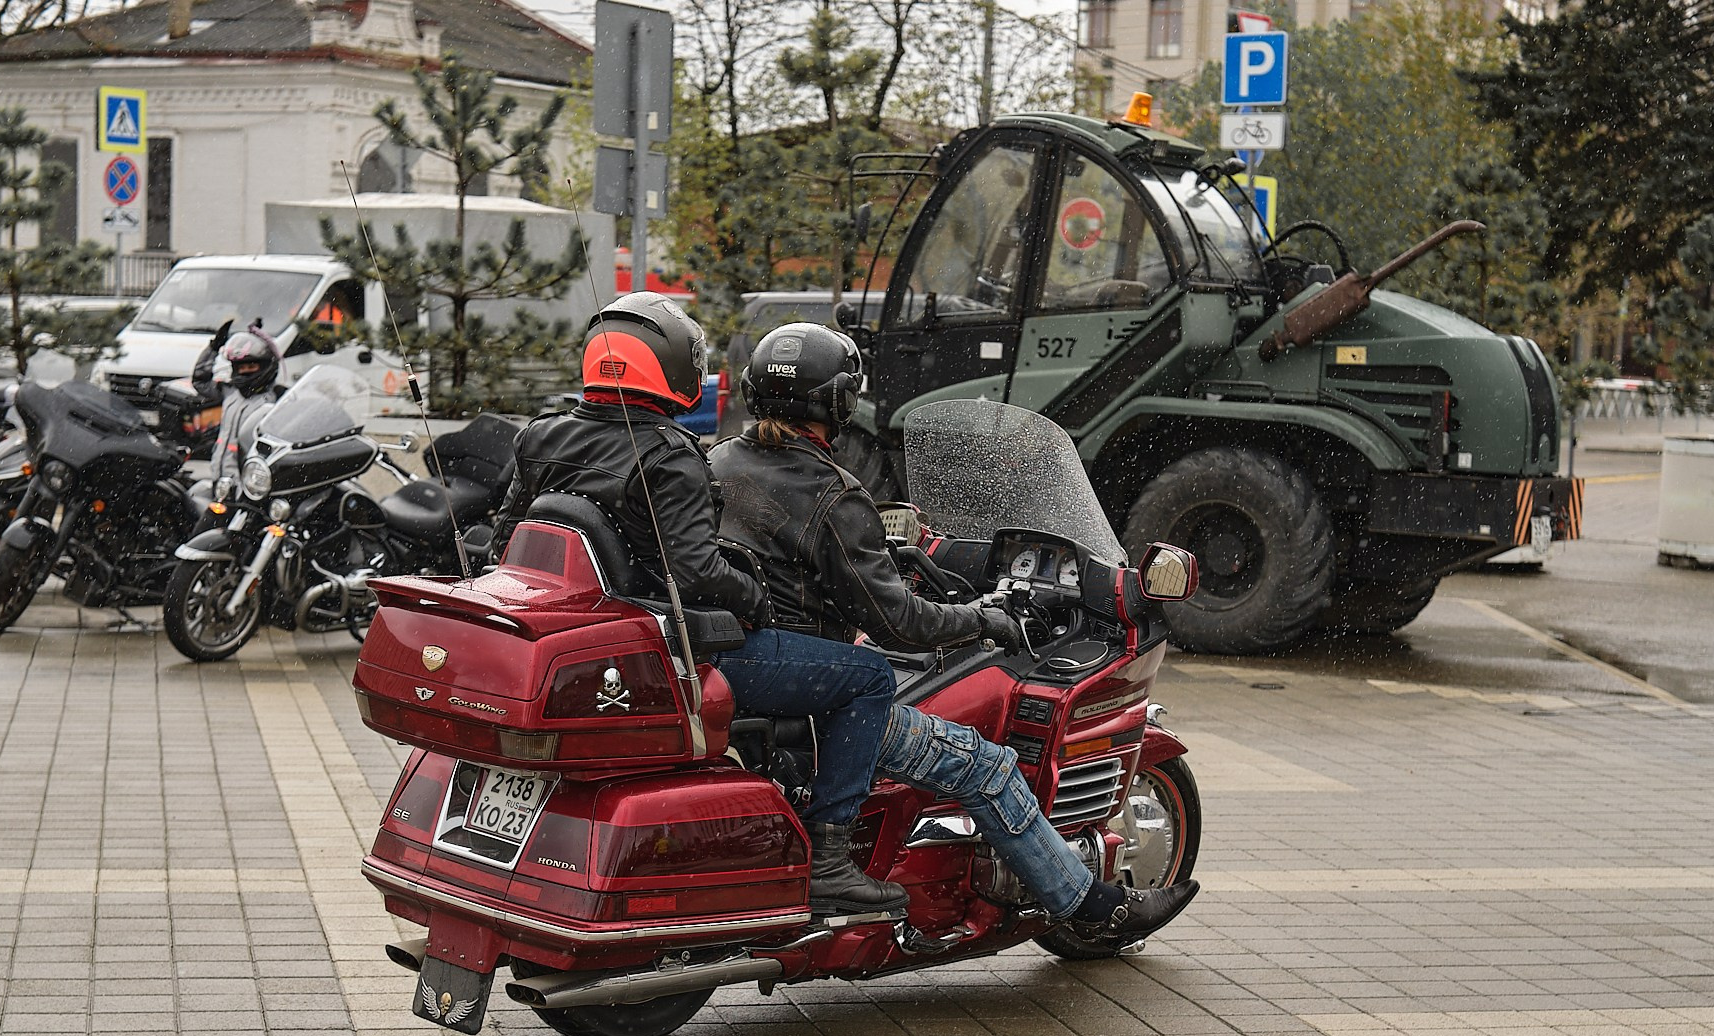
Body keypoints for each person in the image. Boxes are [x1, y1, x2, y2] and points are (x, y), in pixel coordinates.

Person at [712, 321, 1200, 950]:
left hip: (739, 664)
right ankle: (1090, 905)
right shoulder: (832, 493)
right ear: (839, 403)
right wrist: (982, 618)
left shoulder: (721, 459)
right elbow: (901, 622)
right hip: (810, 691)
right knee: (988, 767)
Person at [491, 293, 904, 914]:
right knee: (870, 674)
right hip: (671, 646)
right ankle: (832, 860)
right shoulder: (667, 454)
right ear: (670, 366)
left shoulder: (541, 436)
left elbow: (505, 543)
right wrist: (755, 597)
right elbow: (695, 569)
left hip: (583, 637)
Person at [207, 325, 282, 491]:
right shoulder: (230, 392)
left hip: (248, 487)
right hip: (220, 482)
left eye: (251, 367)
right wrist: (212, 348)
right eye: (241, 368)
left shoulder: (275, 400)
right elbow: (200, 381)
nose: (245, 372)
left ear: (264, 366)